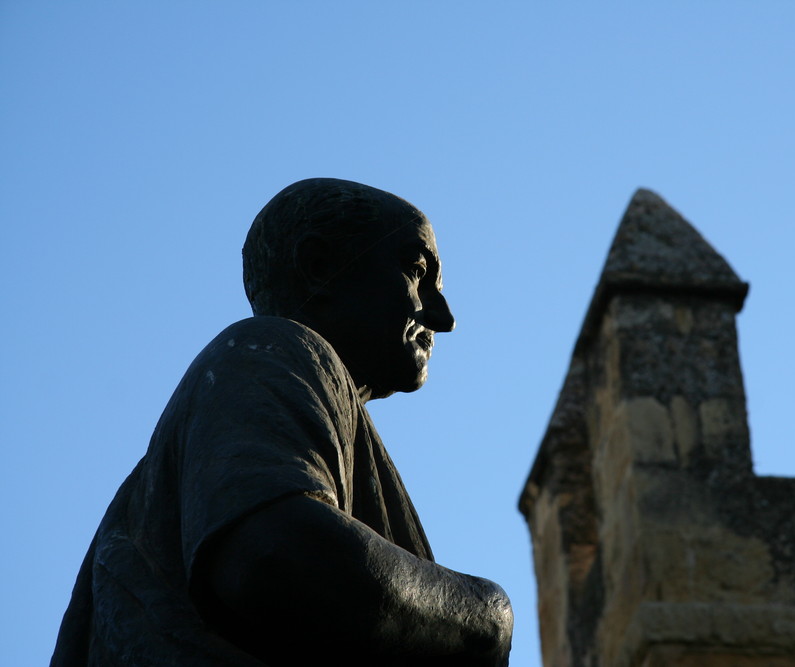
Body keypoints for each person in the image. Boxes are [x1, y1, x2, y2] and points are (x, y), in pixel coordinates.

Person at [52, 179, 513, 666]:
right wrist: (485, 619)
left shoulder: (309, 403)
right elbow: (274, 555)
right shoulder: (269, 349)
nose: (442, 316)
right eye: (417, 271)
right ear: (318, 267)